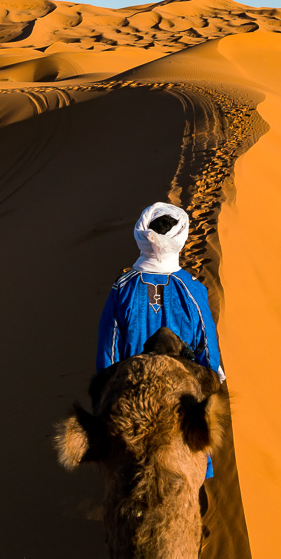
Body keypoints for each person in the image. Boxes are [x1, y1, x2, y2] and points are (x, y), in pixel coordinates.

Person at [96, 202, 225, 478]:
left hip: (133, 410)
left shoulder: (122, 288)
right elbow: (208, 354)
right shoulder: (193, 290)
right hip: (181, 409)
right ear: (179, 238)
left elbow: (107, 356)